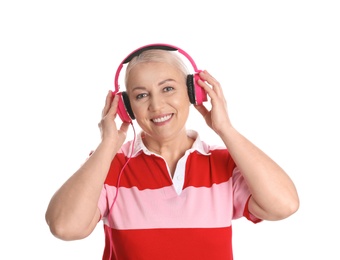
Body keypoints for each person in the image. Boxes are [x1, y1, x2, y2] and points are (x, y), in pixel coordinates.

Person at [45, 43, 299, 259]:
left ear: (193, 92)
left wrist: (226, 130)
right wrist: (107, 146)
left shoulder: (224, 163)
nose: (156, 105)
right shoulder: (109, 165)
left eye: (168, 88)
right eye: (141, 95)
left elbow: (284, 206)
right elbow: (66, 227)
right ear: (126, 107)